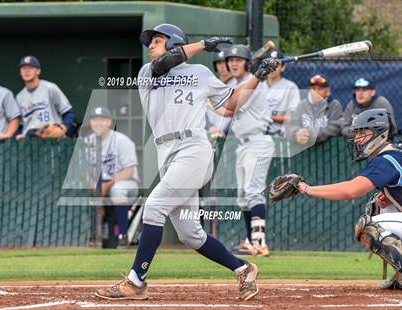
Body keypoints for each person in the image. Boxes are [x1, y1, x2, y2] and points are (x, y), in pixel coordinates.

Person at [95, 23, 279, 301]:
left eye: (157, 40)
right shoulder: (148, 72)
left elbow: (230, 105)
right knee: (190, 234)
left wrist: (257, 77)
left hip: (193, 148)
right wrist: (204, 45)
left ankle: (135, 281)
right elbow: (168, 61)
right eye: (150, 42)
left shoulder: (201, 73)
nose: (151, 46)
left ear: (174, 42)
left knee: (154, 208)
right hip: (166, 152)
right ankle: (244, 268)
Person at [296, 109, 401, 290]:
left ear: (381, 133)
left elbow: (351, 191)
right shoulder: (396, 152)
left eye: (363, 132)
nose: (358, 138)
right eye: (357, 132)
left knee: (368, 226)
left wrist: (307, 189)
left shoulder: (387, 160)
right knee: (377, 206)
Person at [223, 44, 273, 257]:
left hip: (257, 142)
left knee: (253, 192)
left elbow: (231, 107)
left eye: (238, 59)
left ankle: (259, 242)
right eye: (230, 60)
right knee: (243, 197)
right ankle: (249, 241)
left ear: (247, 63)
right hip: (243, 145)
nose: (234, 63)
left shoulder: (255, 83)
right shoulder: (240, 83)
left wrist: (205, 102)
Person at [87, 106, 140, 246]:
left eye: (102, 120)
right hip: (100, 182)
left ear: (109, 122)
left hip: (125, 182)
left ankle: (124, 235)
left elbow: (129, 172)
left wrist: (105, 186)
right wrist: (93, 184)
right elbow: (85, 170)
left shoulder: (122, 141)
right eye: (95, 120)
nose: (98, 123)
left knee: (117, 190)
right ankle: (92, 237)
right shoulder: (87, 142)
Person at [15, 55, 76, 139]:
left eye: (30, 68)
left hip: (51, 139)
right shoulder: (19, 97)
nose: (26, 71)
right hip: (30, 141)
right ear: (20, 72)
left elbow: (68, 112)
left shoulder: (50, 88)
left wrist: (64, 127)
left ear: (38, 71)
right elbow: (19, 125)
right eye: (23, 68)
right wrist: (19, 135)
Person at [285, 74, 342, 146]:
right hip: (305, 152)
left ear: (328, 91)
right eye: (313, 88)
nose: (316, 92)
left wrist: (310, 135)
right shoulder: (302, 105)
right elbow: (291, 127)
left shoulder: (334, 105)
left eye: (320, 89)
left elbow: (334, 129)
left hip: (328, 150)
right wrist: (296, 134)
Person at [260, 49, 301, 137]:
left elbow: (293, 117)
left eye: (276, 65)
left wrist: (270, 118)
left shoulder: (290, 87)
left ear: (283, 67)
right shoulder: (258, 87)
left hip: (281, 137)